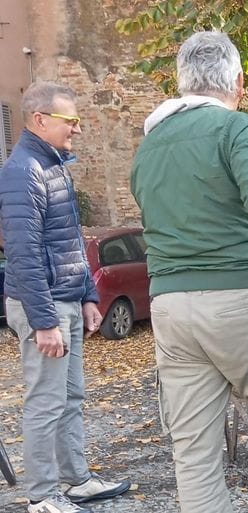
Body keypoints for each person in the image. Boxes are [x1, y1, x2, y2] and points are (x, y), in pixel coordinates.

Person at [130, 31, 248, 513]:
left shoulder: (149, 146)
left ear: (181, 82)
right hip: (243, 300)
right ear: (238, 81)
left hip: (170, 309)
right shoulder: (236, 130)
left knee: (193, 449)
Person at [0, 81, 131, 513]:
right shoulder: (23, 172)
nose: (77, 128)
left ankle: (76, 481)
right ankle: (41, 494)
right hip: (44, 306)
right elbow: (22, 254)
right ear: (40, 120)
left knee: (71, 397)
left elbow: (71, 242)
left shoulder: (55, 166)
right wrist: (43, 322)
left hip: (67, 301)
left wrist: (89, 295)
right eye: (70, 120)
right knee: (45, 401)